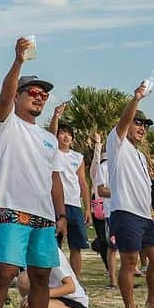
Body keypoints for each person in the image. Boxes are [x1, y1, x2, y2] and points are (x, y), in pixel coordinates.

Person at [0, 39, 65, 308]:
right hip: (12, 210)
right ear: (18, 96)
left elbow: (54, 179)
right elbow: (4, 95)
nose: (38, 97)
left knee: (42, 277)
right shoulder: (6, 124)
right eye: (32, 91)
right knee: (4, 273)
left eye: (43, 94)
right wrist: (18, 61)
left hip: (44, 216)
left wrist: (62, 214)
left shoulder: (48, 138)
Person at [107, 84, 154, 308]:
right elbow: (124, 120)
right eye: (138, 123)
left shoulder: (140, 155)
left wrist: (152, 214)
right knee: (130, 262)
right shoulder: (116, 143)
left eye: (146, 125)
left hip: (143, 215)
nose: (142, 128)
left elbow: (143, 188)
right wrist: (137, 99)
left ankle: (152, 302)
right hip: (125, 212)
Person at [47, 107, 90, 278]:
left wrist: (87, 208)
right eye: (62, 133)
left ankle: (76, 280)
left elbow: (83, 183)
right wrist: (56, 115)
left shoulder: (77, 157)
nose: (65, 137)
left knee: (76, 246)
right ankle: (55, 278)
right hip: (57, 204)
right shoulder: (52, 151)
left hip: (74, 205)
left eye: (69, 134)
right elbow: (50, 133)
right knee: (54, 244)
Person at [16, 248, 96, 308]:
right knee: (23, 280)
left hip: (75, 303)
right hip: (54, 301)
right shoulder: (27, 251)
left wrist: (40, 295)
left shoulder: (50, 251)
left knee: (33, 301)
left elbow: (70, 287)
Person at [89, 133, 118, 288]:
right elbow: (101, 190)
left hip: (124, 211)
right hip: (109, 212)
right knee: (109, 245)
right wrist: (98, 145)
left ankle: (123, 276)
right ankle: (113, 279)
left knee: (125, 247)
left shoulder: (121, 165)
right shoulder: (102, 167)